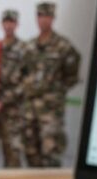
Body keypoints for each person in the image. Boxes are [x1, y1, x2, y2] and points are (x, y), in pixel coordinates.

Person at [22, 1, 81, 167]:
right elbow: (23, 73)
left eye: (47, 16)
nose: (43, 20)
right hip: (30, 111)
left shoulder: (63, 46)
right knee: (31, 153)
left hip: (51, 113)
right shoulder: (30, 46)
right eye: (40, 16)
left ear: (53, 18)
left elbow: (72, 74)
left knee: (51, 155)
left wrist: (56, 91)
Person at [0, 9, 29, 168]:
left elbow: (27, 81)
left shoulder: (24, 49)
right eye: (6, 22)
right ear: (2, 24)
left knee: (12, 154)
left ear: (17, 24)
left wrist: (4, 100)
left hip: (13, 111)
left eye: (12, 22)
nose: (8, 25)